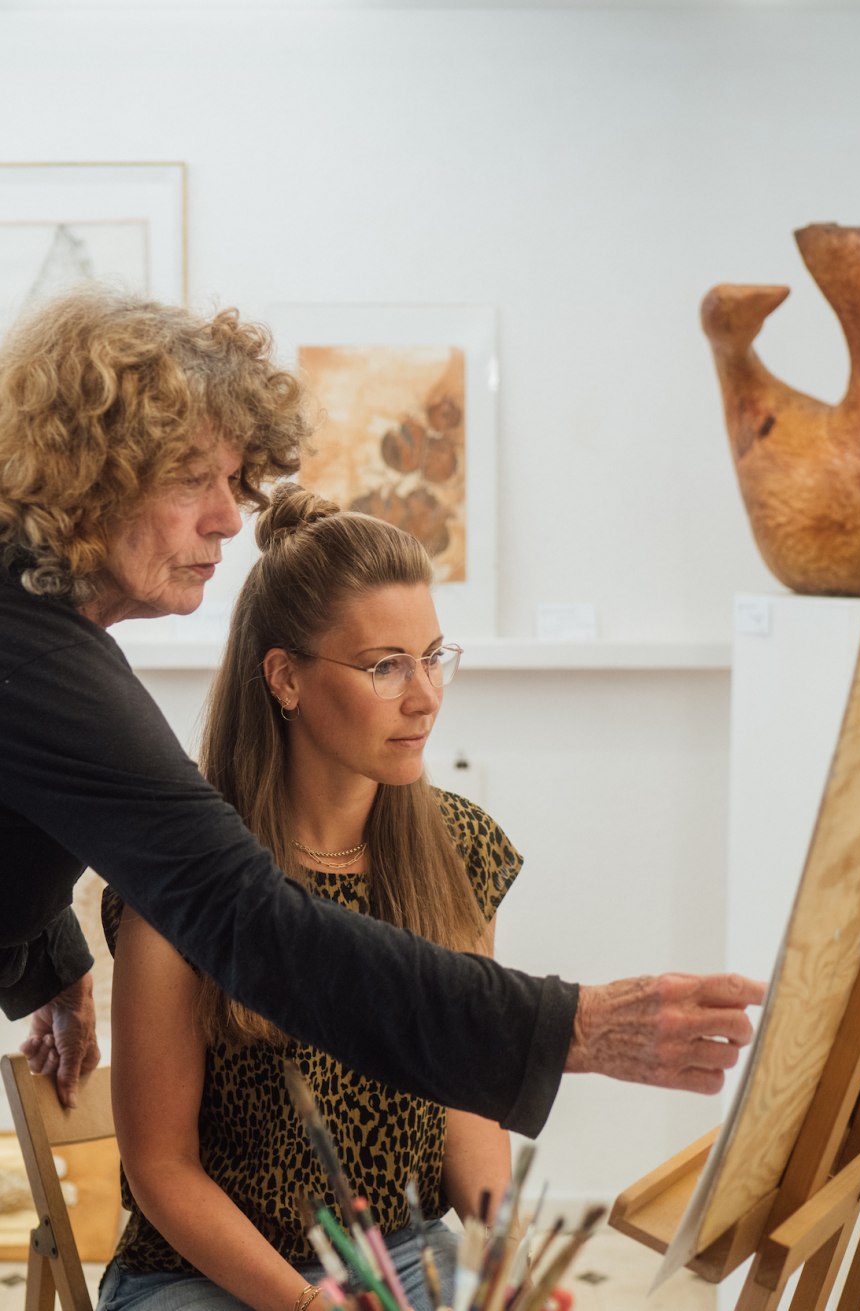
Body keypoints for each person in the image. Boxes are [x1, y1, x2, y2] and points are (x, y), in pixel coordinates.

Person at [0, 287, 763, 1136]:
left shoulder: (35, 634)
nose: (226, 517)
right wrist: (572, 1025)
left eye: (230, 479)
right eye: (191, 480)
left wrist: (51, 965)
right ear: (87, 479)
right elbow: (259, 927)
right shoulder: (34, 654)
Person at [99, 488, 524, 1311]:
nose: (425, 694)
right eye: (385, 664)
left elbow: (468, 1108)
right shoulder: (184, 870)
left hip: (399, 1253)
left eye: (434, 655)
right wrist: (309, 1306)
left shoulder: (458, 851)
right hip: (204, 1271)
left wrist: (500, 1251)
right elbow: (161, 1168)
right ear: (284, 676)